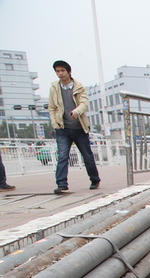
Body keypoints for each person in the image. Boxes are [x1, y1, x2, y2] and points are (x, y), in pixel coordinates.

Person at [47, 60, 100, 194]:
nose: (60, 74)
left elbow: (84, 103)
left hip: (79, 128)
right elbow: (52, 108)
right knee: (63, 156)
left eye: (62, 71)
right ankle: (62, 184)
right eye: (57, 71)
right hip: (63, 129)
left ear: (68, 71)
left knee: (87, 156)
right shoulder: (54, 88)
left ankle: (95, 179)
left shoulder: (78, 87)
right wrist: (55, 124)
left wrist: (76, 111)